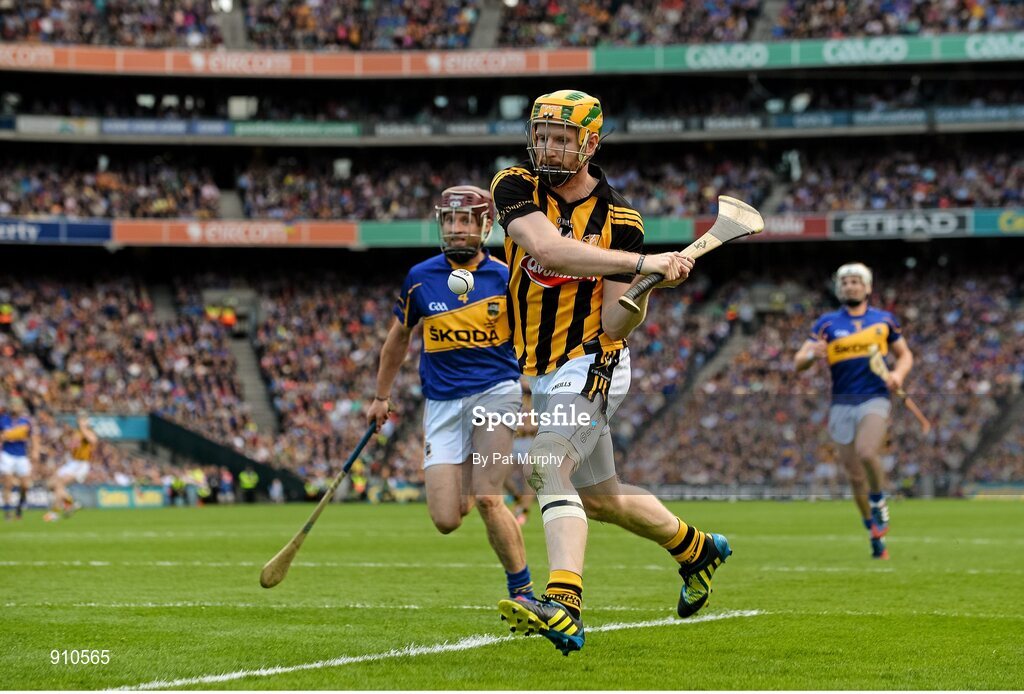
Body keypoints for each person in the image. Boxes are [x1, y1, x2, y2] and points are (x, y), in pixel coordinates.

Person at [491, 90, 732, 655]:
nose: (547, 146)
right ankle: (697, 549)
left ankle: (563, 601)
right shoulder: (515, 185)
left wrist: (647, 289)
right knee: (603, 500)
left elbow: (617, 321)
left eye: (561, 137)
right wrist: (643, 264)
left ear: (590, 143)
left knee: (548, 464)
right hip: (540, 366)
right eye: (542, 134)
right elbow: (548, 250)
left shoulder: (621, 219)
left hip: (596, 361)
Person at [367, 185, 535, 603]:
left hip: (496, 393)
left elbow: (531, 340)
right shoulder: (419, 278)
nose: (456, 229)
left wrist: (531, 395)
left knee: (488, 498)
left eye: (465, 220)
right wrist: (380, 396)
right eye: (449, 220)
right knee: (446, 518)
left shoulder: (505, 277)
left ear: (484, 225)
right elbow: (397, 340)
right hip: (442, 404)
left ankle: (525, 593)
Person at [794, 262, 915, 559]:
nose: (850, 285)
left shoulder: (884, 320)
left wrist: (898, 375)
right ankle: (872, 531)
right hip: (841, 403)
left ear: (868, 287)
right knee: (854, 476)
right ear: (839, 288)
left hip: (874, 398)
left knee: (866, 452)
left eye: (855, 281)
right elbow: (799, 362)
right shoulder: (826, 324)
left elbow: (905, 355)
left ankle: (878, 500)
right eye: (845, 281)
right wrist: (812, 355)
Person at [46, 414, 97, 521]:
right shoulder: (76, 433)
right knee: (50, 484)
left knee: (59, 484)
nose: (80, 422)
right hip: (72, 462)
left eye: (83, 420)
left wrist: (83, 427)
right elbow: (70, 447)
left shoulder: (89, 433)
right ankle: (71, 503)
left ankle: (54, 513)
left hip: (81, 464)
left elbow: (93, 440)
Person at [1, 397, 36, 521]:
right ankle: (7, 511)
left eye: (17, 405)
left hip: (21, 455)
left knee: (25, 485)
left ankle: (19, 508)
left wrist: (34, 451)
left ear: (21, 407)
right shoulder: (3, 420)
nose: (14, 407)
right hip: (7, 454)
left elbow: (33, 437)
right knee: (8, 483)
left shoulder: (25, 421)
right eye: (12, 404)